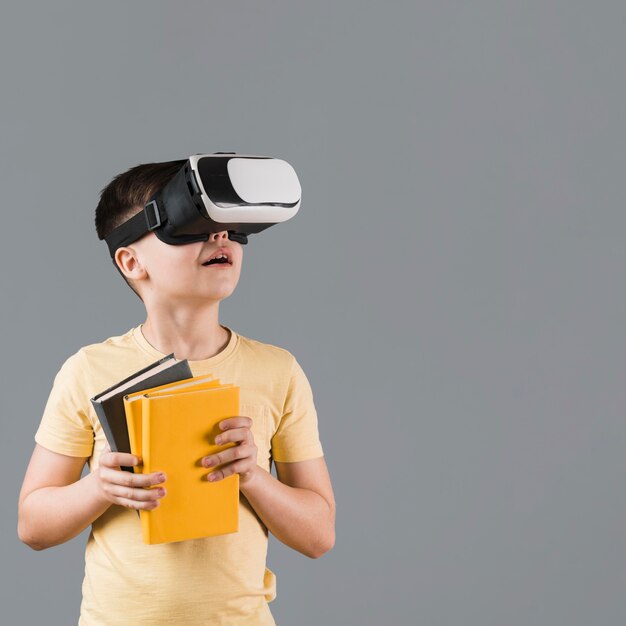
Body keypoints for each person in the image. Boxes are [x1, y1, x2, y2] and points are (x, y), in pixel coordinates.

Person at [17, 159, 336, 625]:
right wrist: (98, 488)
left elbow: (319, 536)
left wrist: (254, 476)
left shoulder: (278, 371)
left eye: (228, 227)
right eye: (191, 227)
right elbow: (33, 526)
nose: (220, 237)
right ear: (131, 260)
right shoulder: (87, 370)